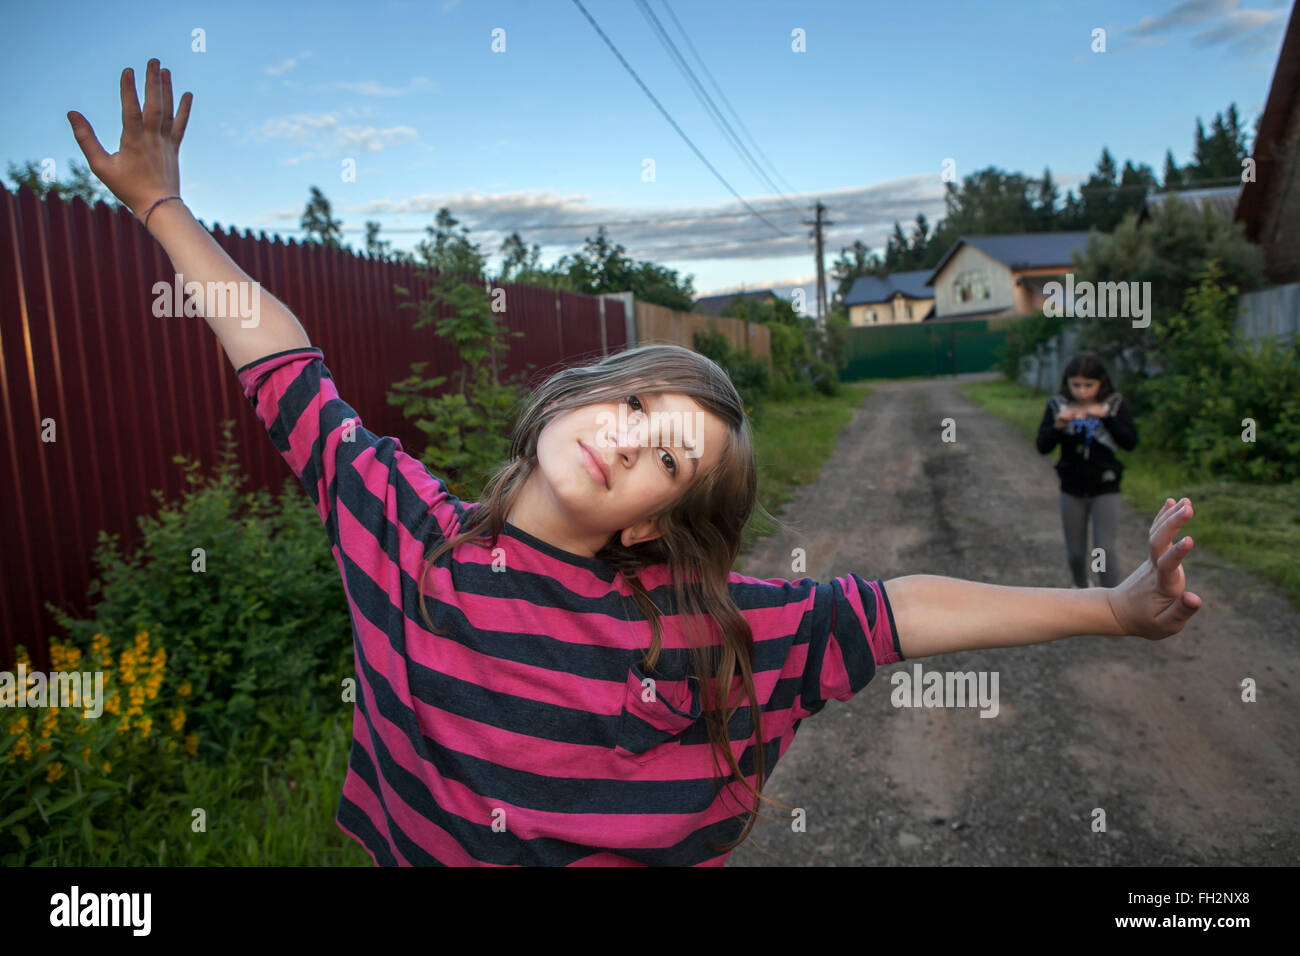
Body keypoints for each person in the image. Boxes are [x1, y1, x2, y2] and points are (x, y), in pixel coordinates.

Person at [66, 60, 1203, 866]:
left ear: (654, 523)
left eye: (672, 457)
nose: (636, 436)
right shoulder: (401, 530)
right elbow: (283, 363)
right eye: (641, 403)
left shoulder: (706, 625)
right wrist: (163, 205)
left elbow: (900, 610)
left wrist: (1111, 609)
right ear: (579, 395)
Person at [1036, 353, 1138, 589]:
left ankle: (1113, 601)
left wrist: (1107, 418)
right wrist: (1058, 426)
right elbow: (1043, 446)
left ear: (1101, 382)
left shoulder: (1114, 404)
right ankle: (1081, 594)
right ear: (1067, 382)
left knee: (1104, 550)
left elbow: (1130, 442)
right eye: (1076, 385)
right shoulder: (1057, 405)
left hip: (1105, 485)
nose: (1082, 392)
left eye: (1089, 385)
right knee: (1075, 554)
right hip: (1071, 487)